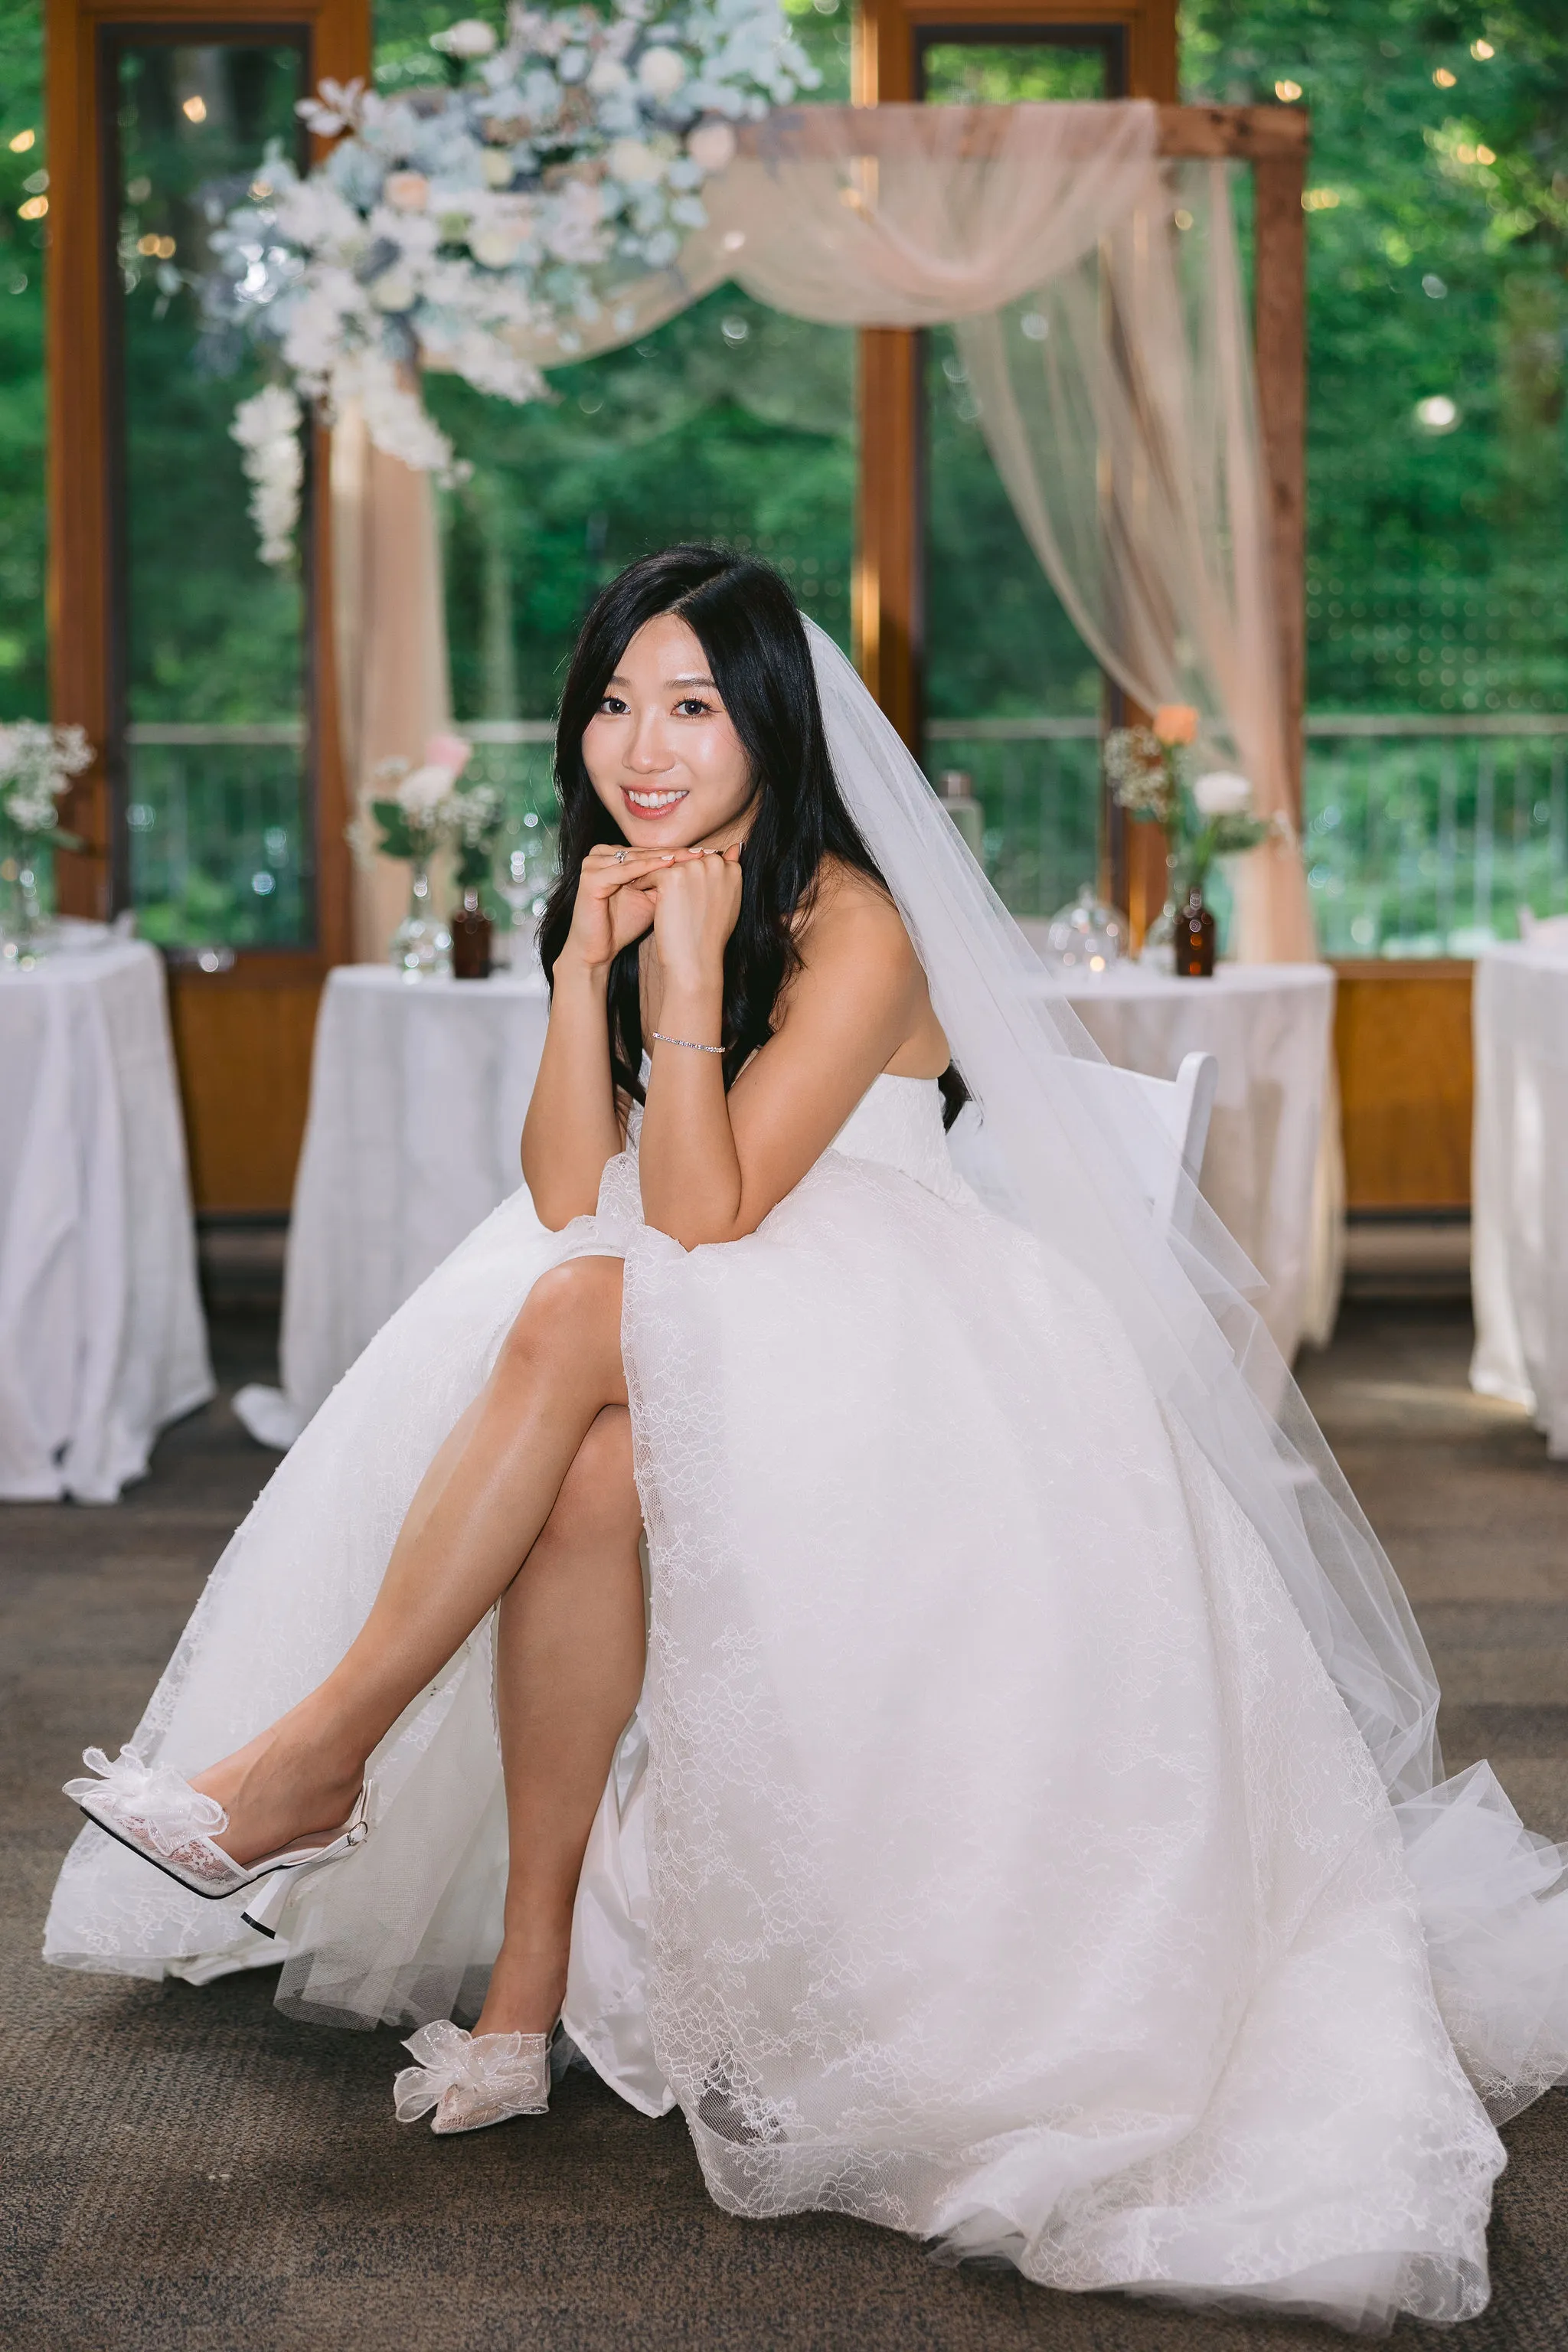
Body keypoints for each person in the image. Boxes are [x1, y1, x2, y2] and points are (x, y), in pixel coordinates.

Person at [47, 547, 1568, 2329]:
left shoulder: (850, 916)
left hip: (889, 1319)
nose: (643, 743)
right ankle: (517, 1988)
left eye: (690, 705)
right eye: (615, 702)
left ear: (767, 722)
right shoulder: (629, 886)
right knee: (589, 1450)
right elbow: (566, 1193)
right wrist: (581, 973)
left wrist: (686, 976)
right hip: (685, 1306)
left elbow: (695, 1214)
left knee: (567, 1326)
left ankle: (313, 1760)